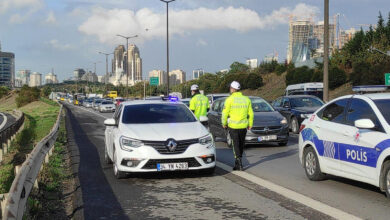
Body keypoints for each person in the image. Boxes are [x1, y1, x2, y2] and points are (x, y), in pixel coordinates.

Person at [221, 81, 254, 171]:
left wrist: (224, 124)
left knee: (235, 145)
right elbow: (251, 113)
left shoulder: (229, 100)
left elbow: (224, 114)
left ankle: (239, 162)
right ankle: (237, 162)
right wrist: (250, 124)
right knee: (241, 144)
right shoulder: (246, 99)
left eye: (230, 88)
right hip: (243, 126)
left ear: (232, 89)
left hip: (233, 126)